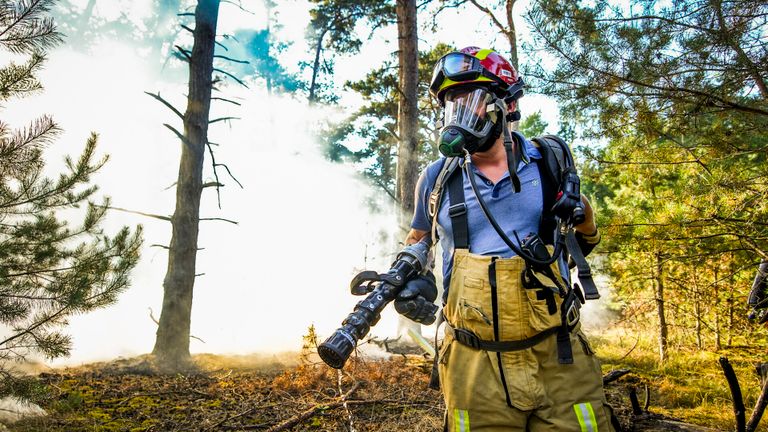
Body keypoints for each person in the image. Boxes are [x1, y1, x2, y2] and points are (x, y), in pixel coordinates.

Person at [393, 47, 615, 431]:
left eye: (472, 100)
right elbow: (419, 241)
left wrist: (579, 212)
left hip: (559, 357)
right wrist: (415, 279)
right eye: (451, 104)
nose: (459, 113)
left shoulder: (550, 160)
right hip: (474, 365)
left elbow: (587, 236)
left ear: (506, 104)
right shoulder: (435, 178)